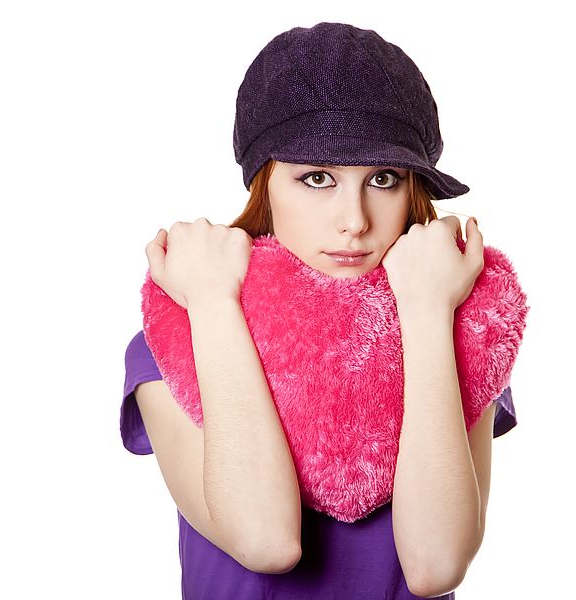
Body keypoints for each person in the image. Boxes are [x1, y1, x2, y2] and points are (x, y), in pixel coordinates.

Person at [121, 21, 518, 599]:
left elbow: (436, 564)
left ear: (412, 191)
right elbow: (265, 540)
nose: (354, 220)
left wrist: (429, 312)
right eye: (316, 178)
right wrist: (212, 302)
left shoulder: (466, 335)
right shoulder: (175, 339)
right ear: (264, 184)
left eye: (382, 179)